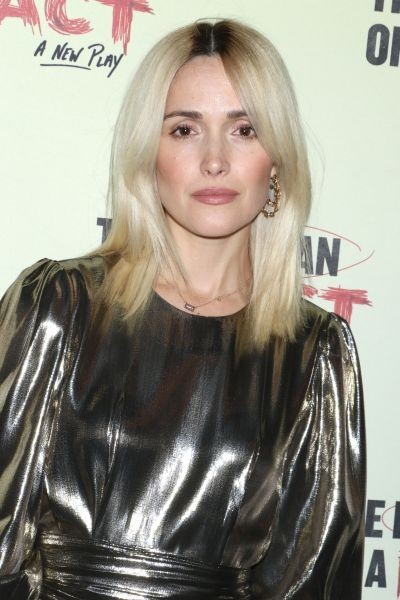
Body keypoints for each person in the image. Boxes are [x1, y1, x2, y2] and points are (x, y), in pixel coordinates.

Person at [0, 18, 365, 600]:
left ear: (276, 160)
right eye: (185, 129)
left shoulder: (312, 353)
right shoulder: (59, 305)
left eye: (244, 129)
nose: (214, 160)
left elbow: (311, 579)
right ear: (150, 153)